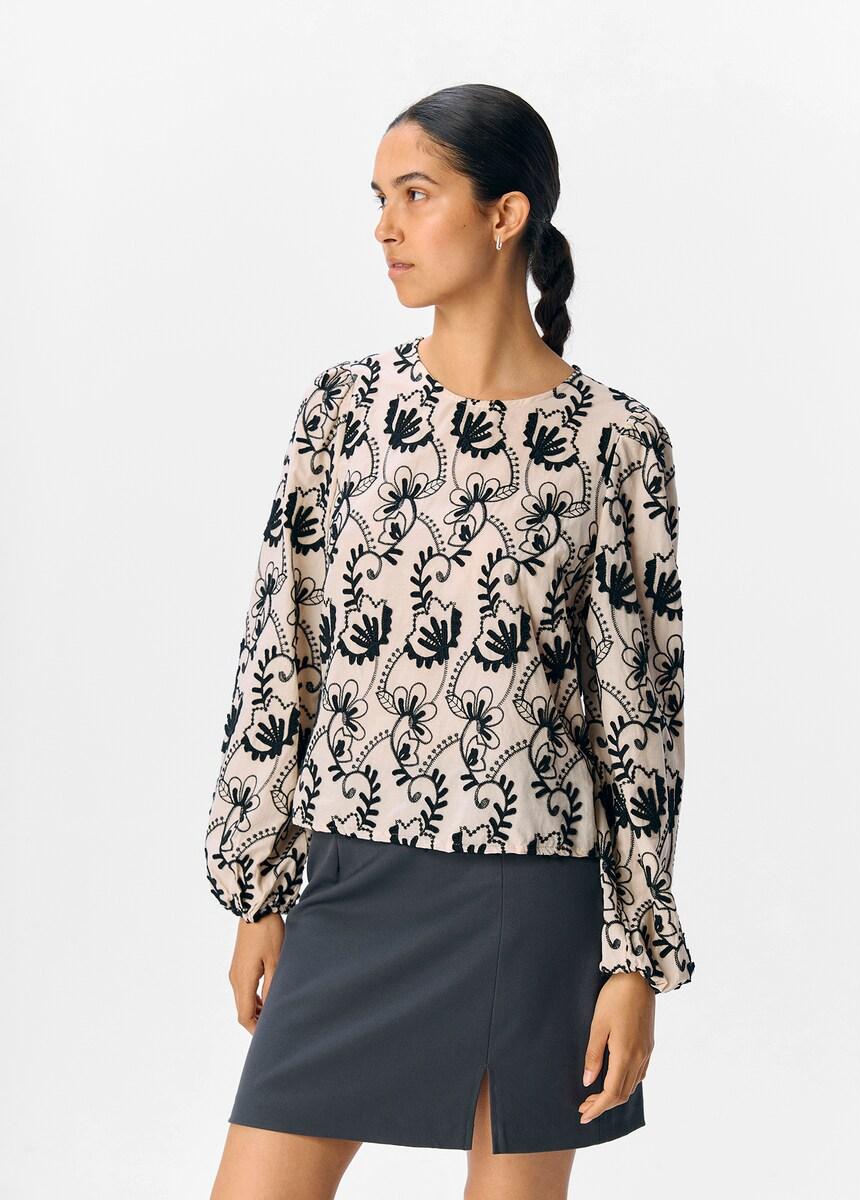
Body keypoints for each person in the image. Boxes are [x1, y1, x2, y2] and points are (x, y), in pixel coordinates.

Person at [207, 83, 695, 1200]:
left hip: (533, 897)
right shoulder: (344, 410)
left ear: (505, 214)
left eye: (416, 195)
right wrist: (260, 888)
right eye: (380, 198)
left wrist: (634, 960)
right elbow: (280, 656)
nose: (385, 226)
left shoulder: (617, 441)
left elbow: (640, 721)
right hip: (351, 879)